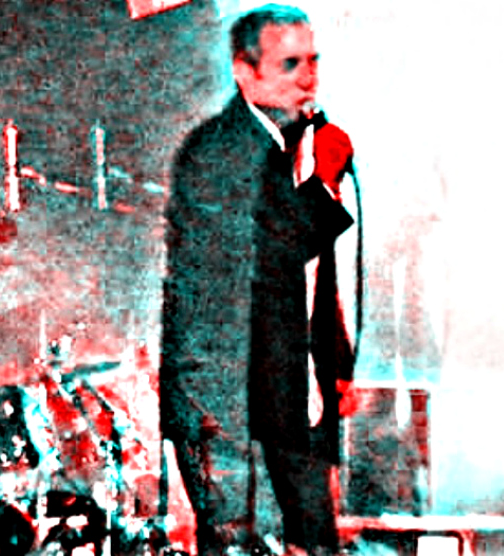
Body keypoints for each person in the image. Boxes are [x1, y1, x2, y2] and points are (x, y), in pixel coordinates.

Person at [160, 4, 358, 555]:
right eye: (289, 64)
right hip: (228, 406)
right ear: (245, 72)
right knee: (246, 545)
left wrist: (335, 364)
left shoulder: (297, 144)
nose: (308, 77)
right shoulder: (215, 153)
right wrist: (324, 186)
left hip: (293, 399)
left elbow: (309, 283)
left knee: (317, 543)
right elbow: (266, 258)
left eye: (313, 61)